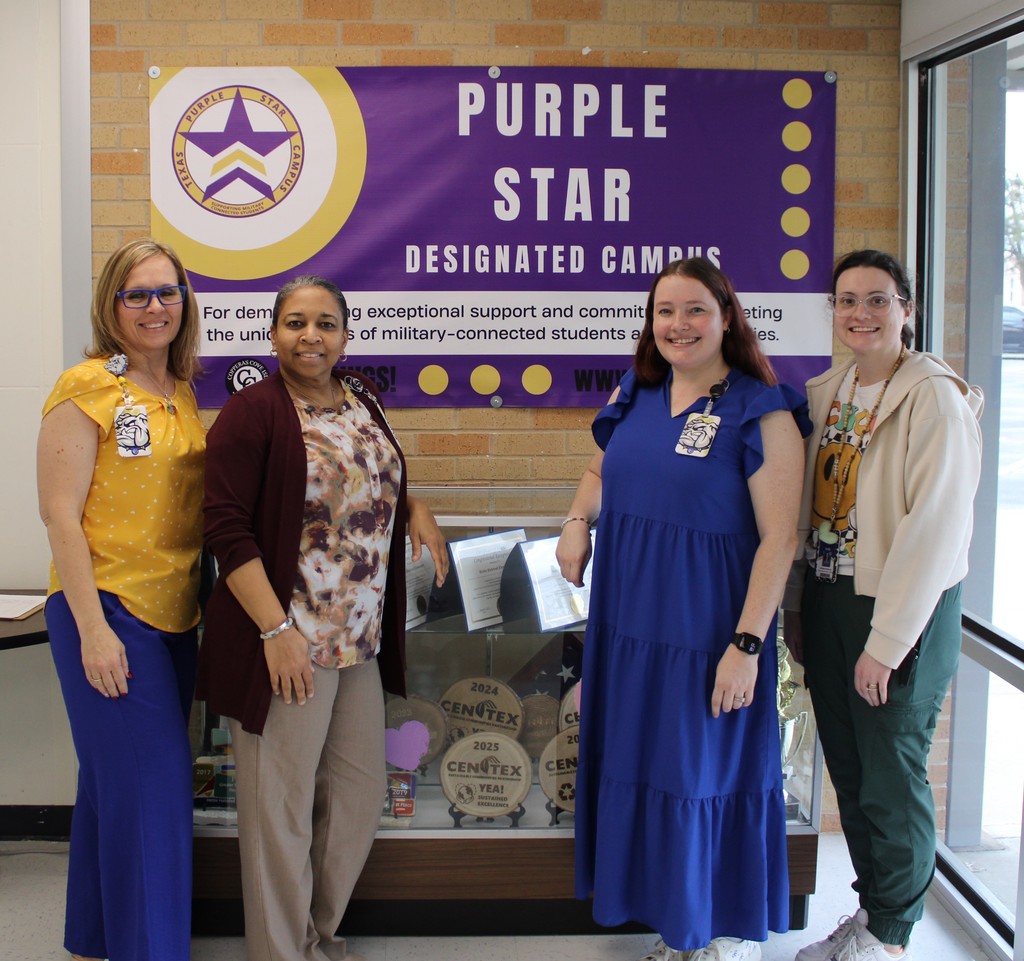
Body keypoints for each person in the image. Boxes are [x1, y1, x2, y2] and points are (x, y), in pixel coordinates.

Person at [557, 257, 809, 961]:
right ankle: (679, 925)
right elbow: (600, 469)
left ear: (726, 315)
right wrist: (578, 520)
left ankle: (721, 934)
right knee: (647, 767)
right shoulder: (638, 392)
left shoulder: (762, 406)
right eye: (665, 311)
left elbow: (780, 537)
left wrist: (748, 645)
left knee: (703, 774)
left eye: (695, 309)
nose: (679, 325)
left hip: (709, 631)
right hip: (629, 622)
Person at [197, 274, 448, 961]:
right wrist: (275, 633)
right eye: (296, 323)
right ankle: (282, 952)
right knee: (278, 813)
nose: (311, 335)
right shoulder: (253, 412)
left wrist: (416, 505)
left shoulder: (360, 397)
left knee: (358, 800)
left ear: (345, 333)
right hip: (288, 644)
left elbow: (373, 473)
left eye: (326, 323)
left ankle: (319, 935)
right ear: (273, 332)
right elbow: (225, 527)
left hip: (357, 643)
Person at [783, 250, 983, 961]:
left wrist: (889, 639)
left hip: (900, 610)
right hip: (835, 600)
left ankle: (893, 935)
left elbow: (936, 528)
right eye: (846, 300)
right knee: (852, 767)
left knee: (891, 771)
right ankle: (872, 916)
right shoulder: (828, 391)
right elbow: (808, 514)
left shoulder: (933, 396)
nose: (860, 313)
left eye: (877, 298)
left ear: (907, 308)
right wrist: (799, 607)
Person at [37, 238, 206, 961]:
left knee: (115, 790)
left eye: (166, 292)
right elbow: (59, 515)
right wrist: (92, 631)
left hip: (177, 614)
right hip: (105, 608)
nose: (154, 306)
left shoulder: (185, 391)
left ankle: (93, 940)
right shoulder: (85, 387)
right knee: (156, 796)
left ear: (184, 303)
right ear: (111, 304)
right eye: (136, 294)